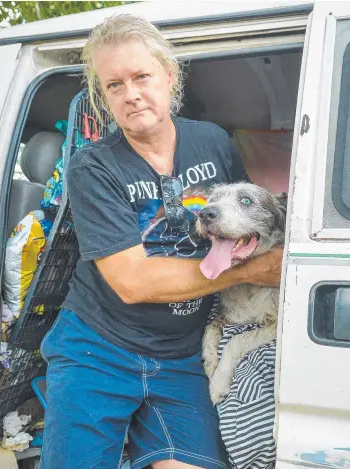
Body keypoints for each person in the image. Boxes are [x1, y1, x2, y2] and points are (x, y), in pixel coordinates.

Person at [40, 13, 283, 469]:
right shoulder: (93, 168)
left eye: (141, 76)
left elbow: (249, 223)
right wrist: (254, 270)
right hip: (98, 348)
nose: (131, 94)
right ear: (103, 97)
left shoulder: (212, 141)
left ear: (169, 76)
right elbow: (133, 282)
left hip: (181, 354)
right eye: (114, 85)